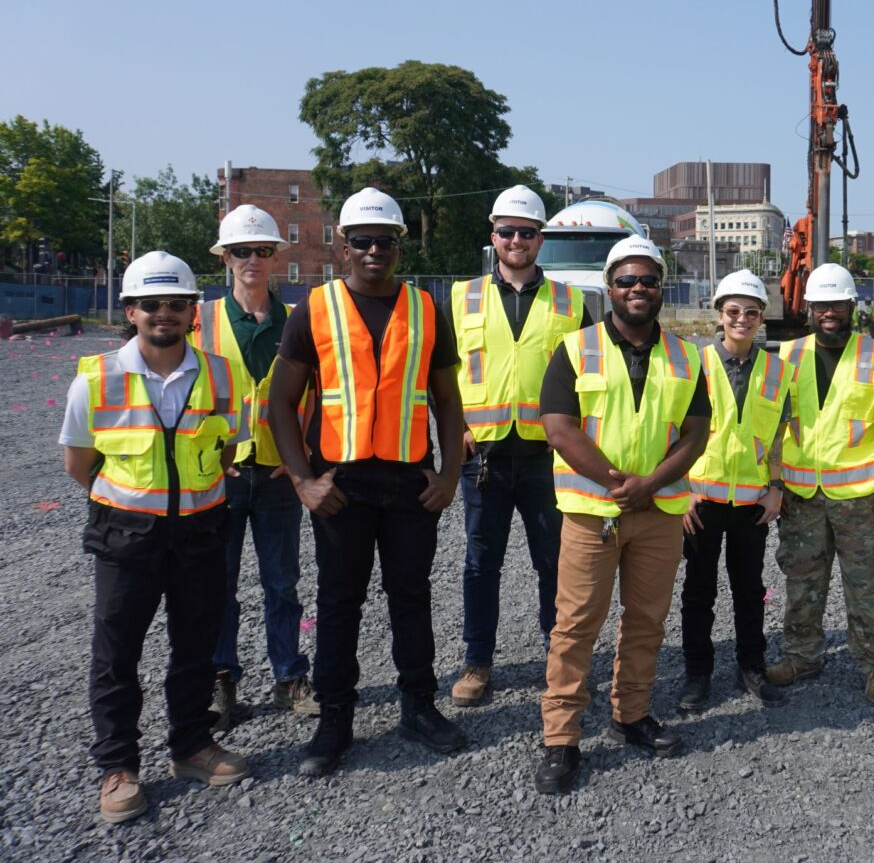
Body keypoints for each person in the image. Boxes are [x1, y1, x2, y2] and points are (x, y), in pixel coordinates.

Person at [269, 188, 468, 776]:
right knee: (338, 603)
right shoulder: (314, 309)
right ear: (343, 244)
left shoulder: (428, 309)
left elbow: (448, 400)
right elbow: (280, 403)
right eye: (363, 240)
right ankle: (336, 719)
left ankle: (418, 706)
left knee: (411, 597)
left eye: (385, 239)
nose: (374, 249)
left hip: (410, 483)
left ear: (400, 245)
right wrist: (304, 481)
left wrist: (451, 473)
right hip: (340, 487)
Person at [59, 251, 249, 824]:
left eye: (176, 304)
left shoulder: (221, 374)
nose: (163, 313)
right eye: (151, 304)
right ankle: (119, 767)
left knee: (195, 648)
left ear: (194, 311)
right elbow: (79, 463)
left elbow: (229, 444)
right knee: (117, 655)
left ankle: (191, 746)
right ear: (130, 310)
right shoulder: (95, 379)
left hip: (200, 533)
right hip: (126, 539)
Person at [534, 236, 711, 794]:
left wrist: (651, 485)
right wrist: (619, 485)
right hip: (593, 511)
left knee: (646, 621)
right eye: (626, 281)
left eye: (648, 281)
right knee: (576, 625)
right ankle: (561, 737)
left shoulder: (687, 355)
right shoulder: (575, 348)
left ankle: (630, 715)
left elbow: (697, 431)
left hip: (657, 512)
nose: (638, 290)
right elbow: (558, 425)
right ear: (609, 288)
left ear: (662, 287)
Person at [448, 186, 588, 708]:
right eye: (507, 231)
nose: (516, 240)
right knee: (481, 564)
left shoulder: (571, 303)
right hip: (482, 455)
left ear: (540, 240)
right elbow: (442, 376)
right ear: (493, 237)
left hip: (546, 457)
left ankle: (561, 658)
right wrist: (455, 428)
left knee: (554, 562)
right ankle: (478, 662)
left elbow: (590, 379)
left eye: (526, 232)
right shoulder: (462, 299)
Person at [196, 205, 317, 730]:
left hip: (275, 474)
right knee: (216, 584)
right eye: (241, 251)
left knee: (282, 581)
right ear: (225, 258)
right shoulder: (199, 320)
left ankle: (289, 676)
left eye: (262, 251)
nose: (252, 260)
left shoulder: (295, 323)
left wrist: (299, 459)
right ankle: (222, 680)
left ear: (276, 259)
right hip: (218, 474)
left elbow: (315, 398)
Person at [768, 263, 874, 705]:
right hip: (801, 495)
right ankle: (802, 655)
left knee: (865, 583)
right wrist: (774, 481)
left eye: (837, 304)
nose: (829, 312)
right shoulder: (787, 356)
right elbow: (771, 424)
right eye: (821, 304)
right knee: (802, 580)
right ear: (808, 307)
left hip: (862, 497)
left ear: (851, 306)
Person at [678, 270, 787, 711]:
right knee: (698, 591)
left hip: (752, 504)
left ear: (762, 319)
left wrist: (776, 487)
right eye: (734, 311)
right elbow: (673, 431)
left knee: (751, 589)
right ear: (719, 316)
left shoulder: (778, 371)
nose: (742, 319)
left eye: (752, 312)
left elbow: (780, 435)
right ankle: (697, 674)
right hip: (700, 501)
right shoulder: (693, 365)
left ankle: (751, 668)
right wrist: (680, 489)